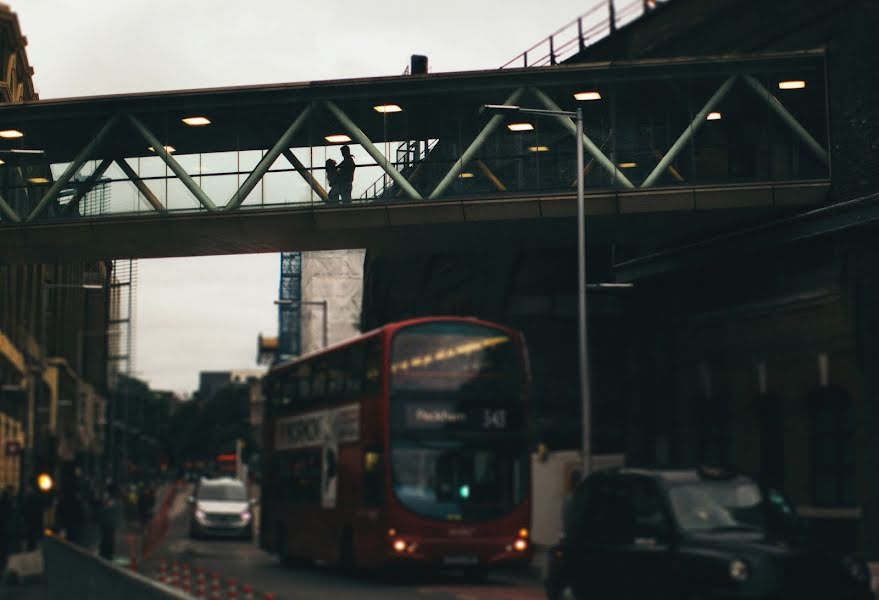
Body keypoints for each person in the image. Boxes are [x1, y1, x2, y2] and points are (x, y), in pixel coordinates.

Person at [99, 483, 121, 560]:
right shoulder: (113, 502)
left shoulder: (108, 501)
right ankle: (106, 556)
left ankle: (105, 555)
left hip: (107, 525)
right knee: (108, 542)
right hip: (110, 525)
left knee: (107, 541)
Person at [22, 485, 45, 551]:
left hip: (31, 522)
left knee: (31, 538)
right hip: (34, 522)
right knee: (33, 539)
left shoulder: (28, 499)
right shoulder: (36, 498)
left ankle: (30, 548)